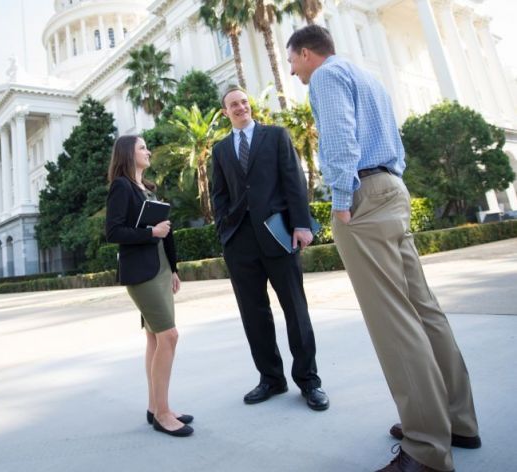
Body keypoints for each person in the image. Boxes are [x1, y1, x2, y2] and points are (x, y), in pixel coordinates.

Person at [286, 25, 480, 471]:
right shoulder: (367, 77)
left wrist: (339, 202)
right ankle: (457, 422)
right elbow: (393, 142)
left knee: (394, 321)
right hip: (392, 187)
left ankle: (426, 446)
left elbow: (340, 140)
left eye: (292, 60)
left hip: (362, 199)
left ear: (307, 52)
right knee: (424, 309)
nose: (292, 69)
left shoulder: (327, 77)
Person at [211, 86, 329, 411]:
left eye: (244, 102)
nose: (240, 107)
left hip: (280, 236)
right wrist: (225, 231)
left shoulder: (276, 136)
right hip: (240, 244)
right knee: (254, 315)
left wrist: (302, 225)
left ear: (250, 106)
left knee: (295, 310)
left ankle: (309, 382)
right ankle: (271, 379)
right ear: (225, 112)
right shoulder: (220, 150)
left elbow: (293, 180)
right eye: (233, 104)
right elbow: (218, 195)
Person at [106, 135, 193, 437]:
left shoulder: (149, 189)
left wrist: (174, 270)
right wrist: (150, 232)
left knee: (156, 339)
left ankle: (155, 407)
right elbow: (113, 231)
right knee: (169, 336)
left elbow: (166, 233)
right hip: (141, 273)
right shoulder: (121, 186)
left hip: (161, 269)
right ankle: (164, 414)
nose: (148, 151)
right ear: (128, 154)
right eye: (142, 147)